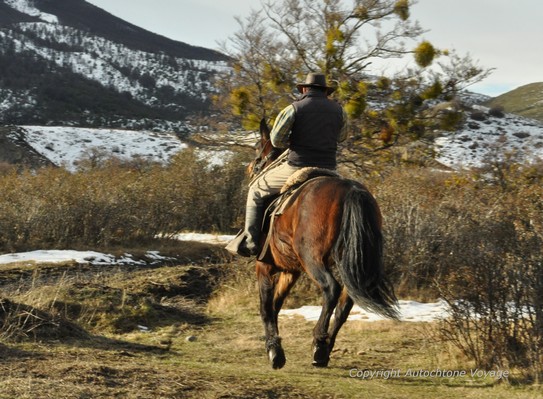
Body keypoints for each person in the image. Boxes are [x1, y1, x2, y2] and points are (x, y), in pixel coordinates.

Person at [228, 72, 348, 257]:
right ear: (325, 91)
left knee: (256, 189)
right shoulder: (340, 110)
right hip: (329, 168)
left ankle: (251, 242)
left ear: (305, 89)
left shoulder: (293, 108)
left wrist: (295, 140)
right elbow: (342, 137)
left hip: (298, 166)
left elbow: (276, 141)